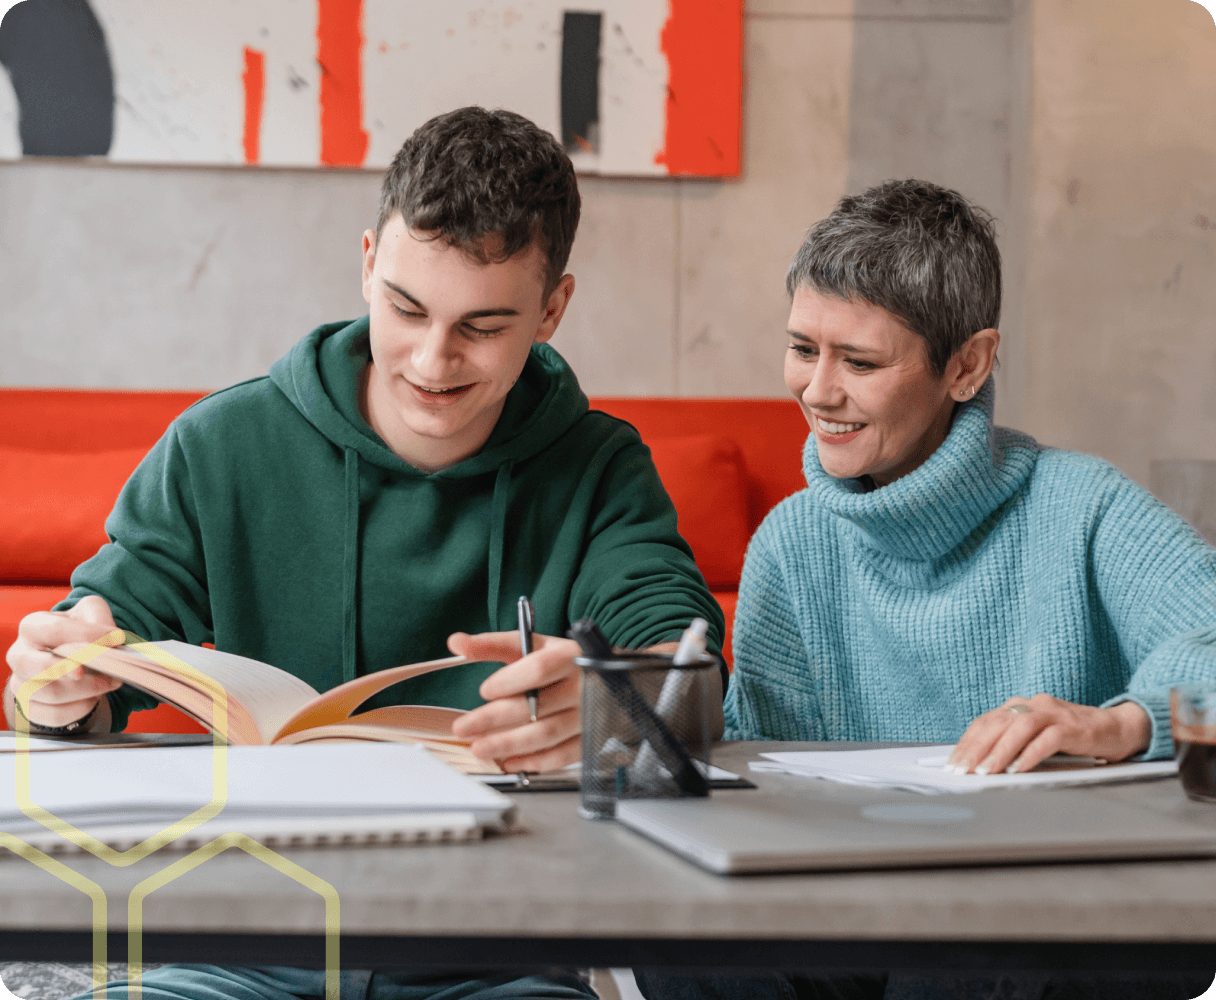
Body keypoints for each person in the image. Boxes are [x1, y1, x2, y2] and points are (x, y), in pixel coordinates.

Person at [5, 106, 725, 1000]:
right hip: (236, 944)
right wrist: (55, 680)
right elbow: (72, 672)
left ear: (552, 310)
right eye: (406, 307)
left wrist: (621, 700)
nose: (432, 359)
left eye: (484, 326)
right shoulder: (220, 445)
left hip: (495, 955)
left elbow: (692, 680)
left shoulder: (600, 468)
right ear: (367, 264)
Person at [636, 179, 1216, 1000]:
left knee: (954, 950)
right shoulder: (792, 544)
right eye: (804, 348)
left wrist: (1123, 722)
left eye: (861, 362)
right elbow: (761, 775)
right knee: (683, 941)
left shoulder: (1084, 506)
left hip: (1056, 900)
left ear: (968, 365)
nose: (817, 391)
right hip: (853, 901)